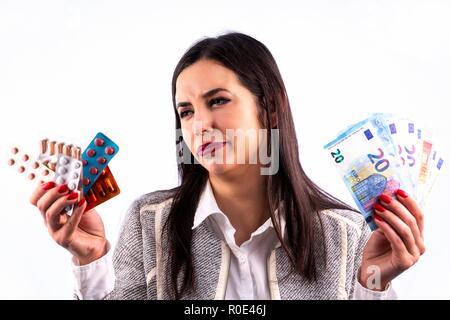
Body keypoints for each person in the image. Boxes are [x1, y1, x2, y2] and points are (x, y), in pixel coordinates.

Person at [29, 32, 425, 300]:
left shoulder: (347, 233)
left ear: (269, 107)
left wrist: (373, 285)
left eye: (218, 100)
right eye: (186, 111)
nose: (200, 125)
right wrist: (90, 258)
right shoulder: (149, 222)